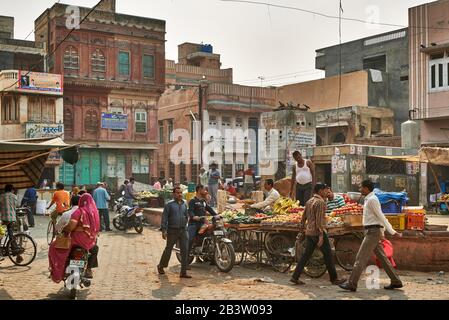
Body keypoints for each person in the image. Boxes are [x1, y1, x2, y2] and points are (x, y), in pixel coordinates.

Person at [339, 180, 403, 292]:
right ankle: (396, 281)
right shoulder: (369, 199)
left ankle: (352, 283)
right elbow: (377, 218)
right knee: (383, 258)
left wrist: (392, 231)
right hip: (372, 231)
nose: (360, 190)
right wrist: (382, 232)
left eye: (361, 188)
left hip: (372, 232)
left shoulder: (372, 200)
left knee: (360, 258)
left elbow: (381, 216)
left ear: (366, 188)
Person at [290, 183, 346, 286]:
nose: (326, 192)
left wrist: (302, 230)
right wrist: (321, 236)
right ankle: (334, 279)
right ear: (320, 191)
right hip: (318, 233)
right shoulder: (320, 202)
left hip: (309, 232)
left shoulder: (309, 201)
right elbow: (320, 221)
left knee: (306, 255)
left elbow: (303, 218)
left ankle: (295, 276)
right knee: (328, 255)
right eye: (325, 190)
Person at [48, 193, 100, 282]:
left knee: (53, 247)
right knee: (95, 248)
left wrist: (64, 230)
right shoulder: (94, 213)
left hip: (76, 240)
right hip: (89, 241)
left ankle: (58, 271)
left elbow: (71, 225)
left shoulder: (79, 211)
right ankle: (88, 269)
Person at [157, 187, 191, 279]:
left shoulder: (184, 204)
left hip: (183, 230)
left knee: (185, 251)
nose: (179, 194)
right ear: (173, 194)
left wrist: (186, 225)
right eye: (177, 193)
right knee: (168, 249)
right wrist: (164, 230)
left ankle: (183, 272)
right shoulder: (169, 205)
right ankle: (161, 266)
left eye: (180, 193)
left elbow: (186, 215)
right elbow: (164, 218)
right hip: (172, 230)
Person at [187, 185, 219, 258]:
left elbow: (209, 209)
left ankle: (212, 258)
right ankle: (186, 258)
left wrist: (217, 215)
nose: (205, 191)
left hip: (202, 223)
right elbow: (190, 211)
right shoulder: (193, 201)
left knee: (210, 235)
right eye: (204, 190)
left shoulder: (203, 201)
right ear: (199, 190)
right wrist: (194, 217)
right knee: (190, 238)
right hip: (194, 223)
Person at [0, 185, 22, 263]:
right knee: (10, 233)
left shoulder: (1, 196)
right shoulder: (14, 196)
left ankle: (14, 250)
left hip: (4, 219)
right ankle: (15, 251)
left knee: (2, 233)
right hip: (12, 218)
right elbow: (18, 205)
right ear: (12, 190)